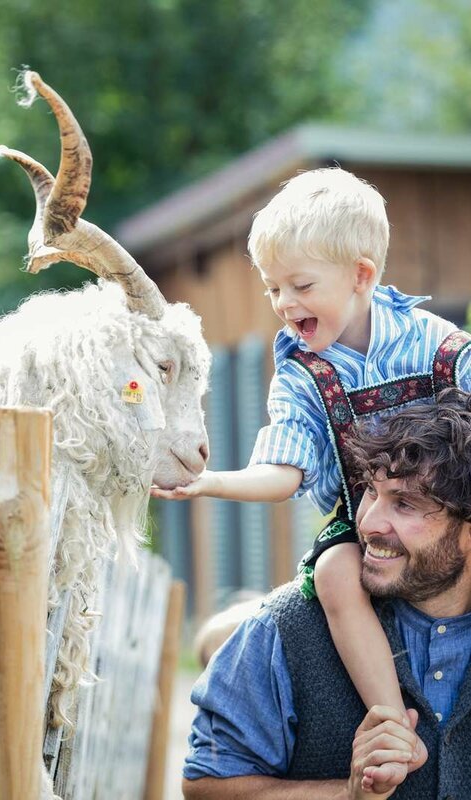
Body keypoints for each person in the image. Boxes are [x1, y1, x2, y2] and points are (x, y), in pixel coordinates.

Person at [152, 167, 471, 789]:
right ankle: (392, 722)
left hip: (447, 510)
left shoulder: (437, 345)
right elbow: (285, 469)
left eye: (300, 284)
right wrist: (211, 483)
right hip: (360, 519)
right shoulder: (303, 372)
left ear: (362, 275)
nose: (284, 303)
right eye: (272, 288)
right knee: (332, 573)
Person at [183, 389, 471, 798]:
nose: (368, 523)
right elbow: (204, 789)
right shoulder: (282, 631)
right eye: (371, 491)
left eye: (404, 504)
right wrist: (347, 795)